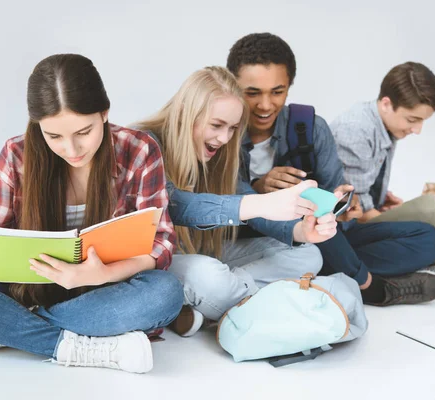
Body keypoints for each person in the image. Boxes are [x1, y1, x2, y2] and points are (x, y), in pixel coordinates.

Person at [0, 54, 184, 374]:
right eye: (54, 136)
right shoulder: (17, 154)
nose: (72, 149)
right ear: (38, 127)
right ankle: (74, 346)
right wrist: (36, 262)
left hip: (101, 293)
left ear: (104, 112)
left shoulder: (139, 149)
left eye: (83, 131)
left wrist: (100, 273)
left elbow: (161, 243)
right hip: (24, 290)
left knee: (165, 293)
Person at [225, 32, 435, 306]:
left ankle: (329, 275)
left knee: (427, 239)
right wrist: (261, 189)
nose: (265, 105)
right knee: (312, 229)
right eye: (253, 93)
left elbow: (335, 197)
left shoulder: (309, 127)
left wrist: (345, 205)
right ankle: (371, 287)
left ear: (289, 86)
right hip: (256, 242)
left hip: (321, 239)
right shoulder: (222, 134)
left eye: (277, 92)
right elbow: (225, 208)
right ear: (232, 86)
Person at [135, 66, 339, 337]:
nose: (224, 138)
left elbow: (242, 195)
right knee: (205, 274)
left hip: (204, 252)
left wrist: (298, 230)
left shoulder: (221, 152)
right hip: (158, 262)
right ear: (185, 112)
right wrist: (265, 203)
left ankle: (205, 303)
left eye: (232, 128)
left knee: (307, 253)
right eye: (216, 125)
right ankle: (252, 305)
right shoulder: (145, 143)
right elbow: (177, 205)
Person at [331, 61, 435, 283]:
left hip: (362, 218)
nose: (417, 130)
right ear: (386, 104)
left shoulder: (384, 124)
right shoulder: (356, 129)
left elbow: (361, 186)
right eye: (412, 120)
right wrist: (404, 217)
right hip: (345, 228)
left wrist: (381, 198)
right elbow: (355, 211)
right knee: (432, 208)